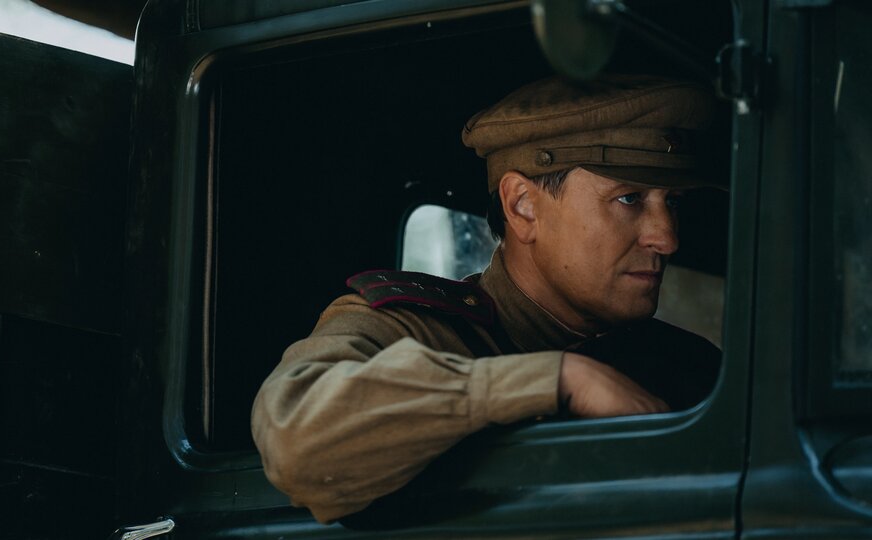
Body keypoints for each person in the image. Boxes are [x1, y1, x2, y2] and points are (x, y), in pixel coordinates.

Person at [251, 74, 722, 524]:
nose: (667, 238)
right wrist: (556, 380)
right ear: (523, 206)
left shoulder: (692, 366)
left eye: (672, 202)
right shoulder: (411, 331)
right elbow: (295, 437)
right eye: (629, 199)